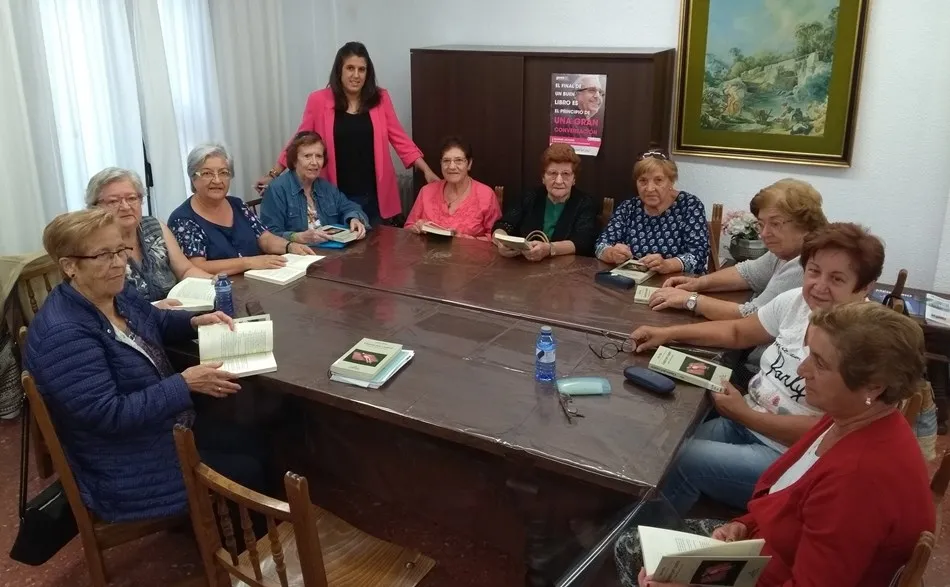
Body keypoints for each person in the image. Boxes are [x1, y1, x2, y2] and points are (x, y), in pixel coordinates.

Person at [616, 302, 935, 587]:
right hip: (765, 553)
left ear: (874, 386)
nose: (802, 369)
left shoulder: (860, 480)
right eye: (808, 353)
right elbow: (785, 495)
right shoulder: (851, 415)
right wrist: (743, 525)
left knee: (631, 551)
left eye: (820, 364)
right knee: (638, 544)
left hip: (774, 572)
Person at [24, 209, 269, 522]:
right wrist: (184, 384)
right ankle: (244, 558)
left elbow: (154, 319)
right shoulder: (65, 334)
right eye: (103, 255)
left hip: (161, 425)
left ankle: (232, 530)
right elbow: (110, 415)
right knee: (247, 467)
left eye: (120, 250)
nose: (119, 263)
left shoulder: (112, 291)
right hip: (126, 462)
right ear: (69, 266)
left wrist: (194, 321)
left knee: (255, 435)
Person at [630, 223, 885, 514]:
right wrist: (669, 335)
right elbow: (738, 332)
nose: (819, 285)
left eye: (837, 279)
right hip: (744, 423)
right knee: (663, 443)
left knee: (681, 460)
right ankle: (643, 523)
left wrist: (744, 414)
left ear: (865, 287)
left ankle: (638, 547)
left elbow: (830, 431)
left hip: (790, 457)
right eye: (813, 271)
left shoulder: (865, 341)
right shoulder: (797, 303)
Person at [256, 42, 439, 225]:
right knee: (341, 251)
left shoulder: (380, 99)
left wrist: (426, 170)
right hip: (335, 194)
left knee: (377, 249)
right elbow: (299, 141)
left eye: (362, 69)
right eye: (350, 68)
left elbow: (401, 139)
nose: (356, 75)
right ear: (339, 71)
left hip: (374, 195)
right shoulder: (319, 100)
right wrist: (273, 173)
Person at [648, 178, 827, 319]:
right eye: (761, 224)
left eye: (775, 224)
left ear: (805, 224)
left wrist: (690, 300)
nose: (764, 234)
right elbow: (747, 273)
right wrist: (697, 284)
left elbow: (752, 316)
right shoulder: (786, 251)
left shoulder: (806, 264)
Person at [168, 143, 315, 276]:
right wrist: (249, 262)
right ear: (193, 178)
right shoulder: (183, 219)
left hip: (259, 280)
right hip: (220, 292)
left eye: (224, 173)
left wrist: (290, 246)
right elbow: (196, 266)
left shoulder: (237, 205)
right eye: (207, 173)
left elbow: (265, 238)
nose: (217, 180)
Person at [86, 167, 212, 308]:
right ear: (94, 207)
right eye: (114, 201)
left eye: (132, 198)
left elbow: (185, 270)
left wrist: (214, 282)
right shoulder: (92, 245)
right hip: (135, 324)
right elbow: (103, 306)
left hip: (177, 313)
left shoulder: (153, 226)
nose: (126, 206)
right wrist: (154, 309)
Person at [595, 148, 709, 275]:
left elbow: (699, 255)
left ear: (671, 181)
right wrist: (610, 253)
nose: (649, 188)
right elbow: (601, 244)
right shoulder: (629, 207)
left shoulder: (689, 205)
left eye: (658, 180)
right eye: (643, 181)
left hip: (676, 284)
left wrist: (668, 265)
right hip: (631, 281)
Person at [259, 131, 369, 245]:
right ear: (294, 161)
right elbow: (268, 235)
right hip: (296, 256)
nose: (314, 162)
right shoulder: (277, 189)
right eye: (307, 156)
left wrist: (354, 218)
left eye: (319, 156)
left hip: (329, 254)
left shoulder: (326, 188)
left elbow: (350, 207)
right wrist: (297, 237)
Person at [491, 143, 599, 259]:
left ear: (574, 179)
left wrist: (549, 249)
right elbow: (503, 225)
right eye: (552, 173)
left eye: (566, 174)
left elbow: (583, 242)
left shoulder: (585, 203)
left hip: (565, 271)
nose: (558, 181)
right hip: (524, 266)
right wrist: (501, 243)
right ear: (543, 177)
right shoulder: (530, 196)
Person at [404, 136, 501, 239]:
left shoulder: (486, 195)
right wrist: (417, 228)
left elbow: (496, 238)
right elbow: (407, 228)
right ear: (440, 163)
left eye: (458, 160)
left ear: (469, 164)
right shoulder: (426, 191)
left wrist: (470, 240)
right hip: (430, 254)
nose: (451, 167)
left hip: (469, 254)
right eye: (446, 161)